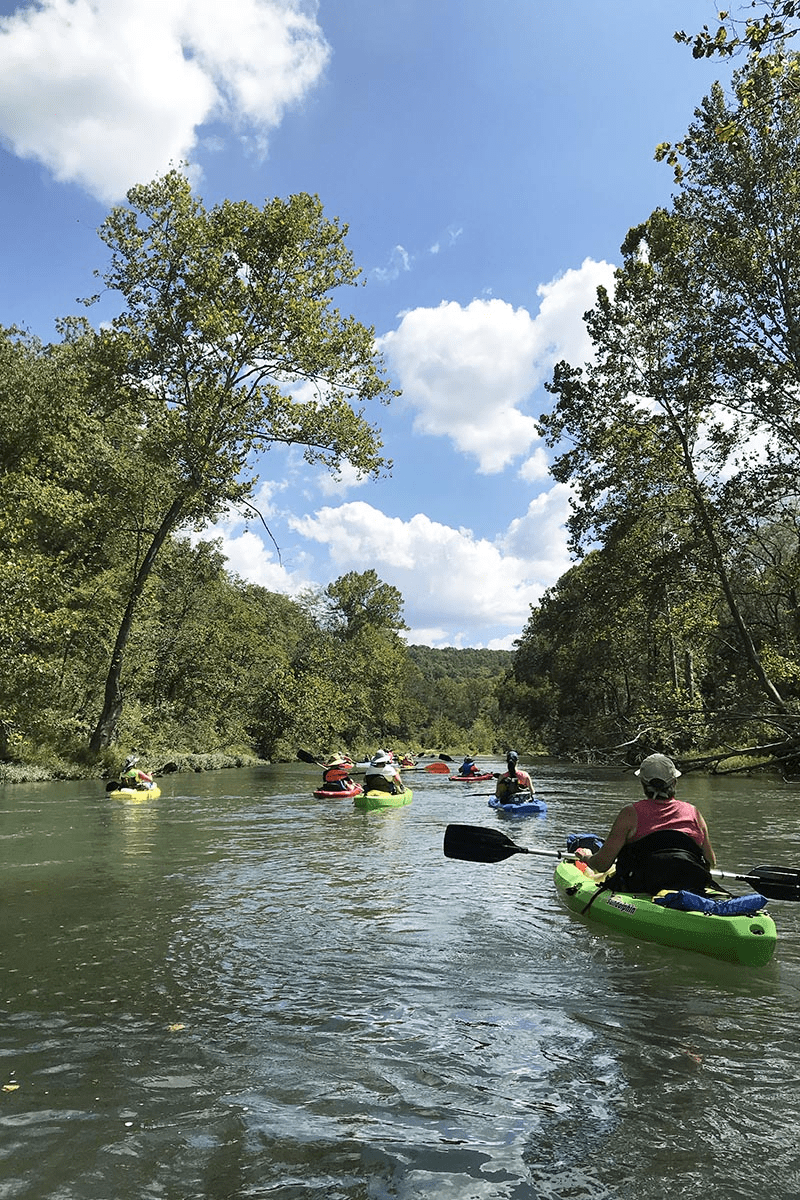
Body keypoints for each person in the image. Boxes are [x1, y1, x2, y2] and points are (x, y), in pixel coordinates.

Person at [573, 753, 717, 894]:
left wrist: (587, 858)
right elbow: (710, 862)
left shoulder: (629, 814)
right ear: (674, 782)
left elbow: (602, 865)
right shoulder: (694, 813)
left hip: (639, 887)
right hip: (689, 886)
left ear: (643, 783)